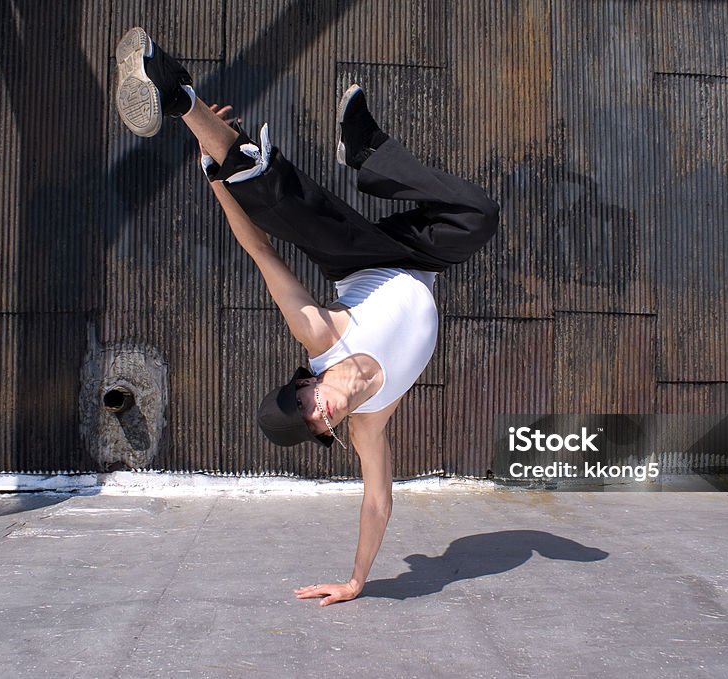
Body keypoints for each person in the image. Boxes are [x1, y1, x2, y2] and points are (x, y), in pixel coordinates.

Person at [114, 27, 499, 605]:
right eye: (317, 425)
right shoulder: (370, 421)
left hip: (362, 263)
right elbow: (377, 502)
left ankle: (176, 93)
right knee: (478, 214)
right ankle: (369, 156)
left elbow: (260, 252)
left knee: (278, 202)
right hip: (422, 264)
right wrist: (357, 580)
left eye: (307, 405)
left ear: (308, 382)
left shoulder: (320, 336)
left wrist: (215, 179)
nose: (321, 413)